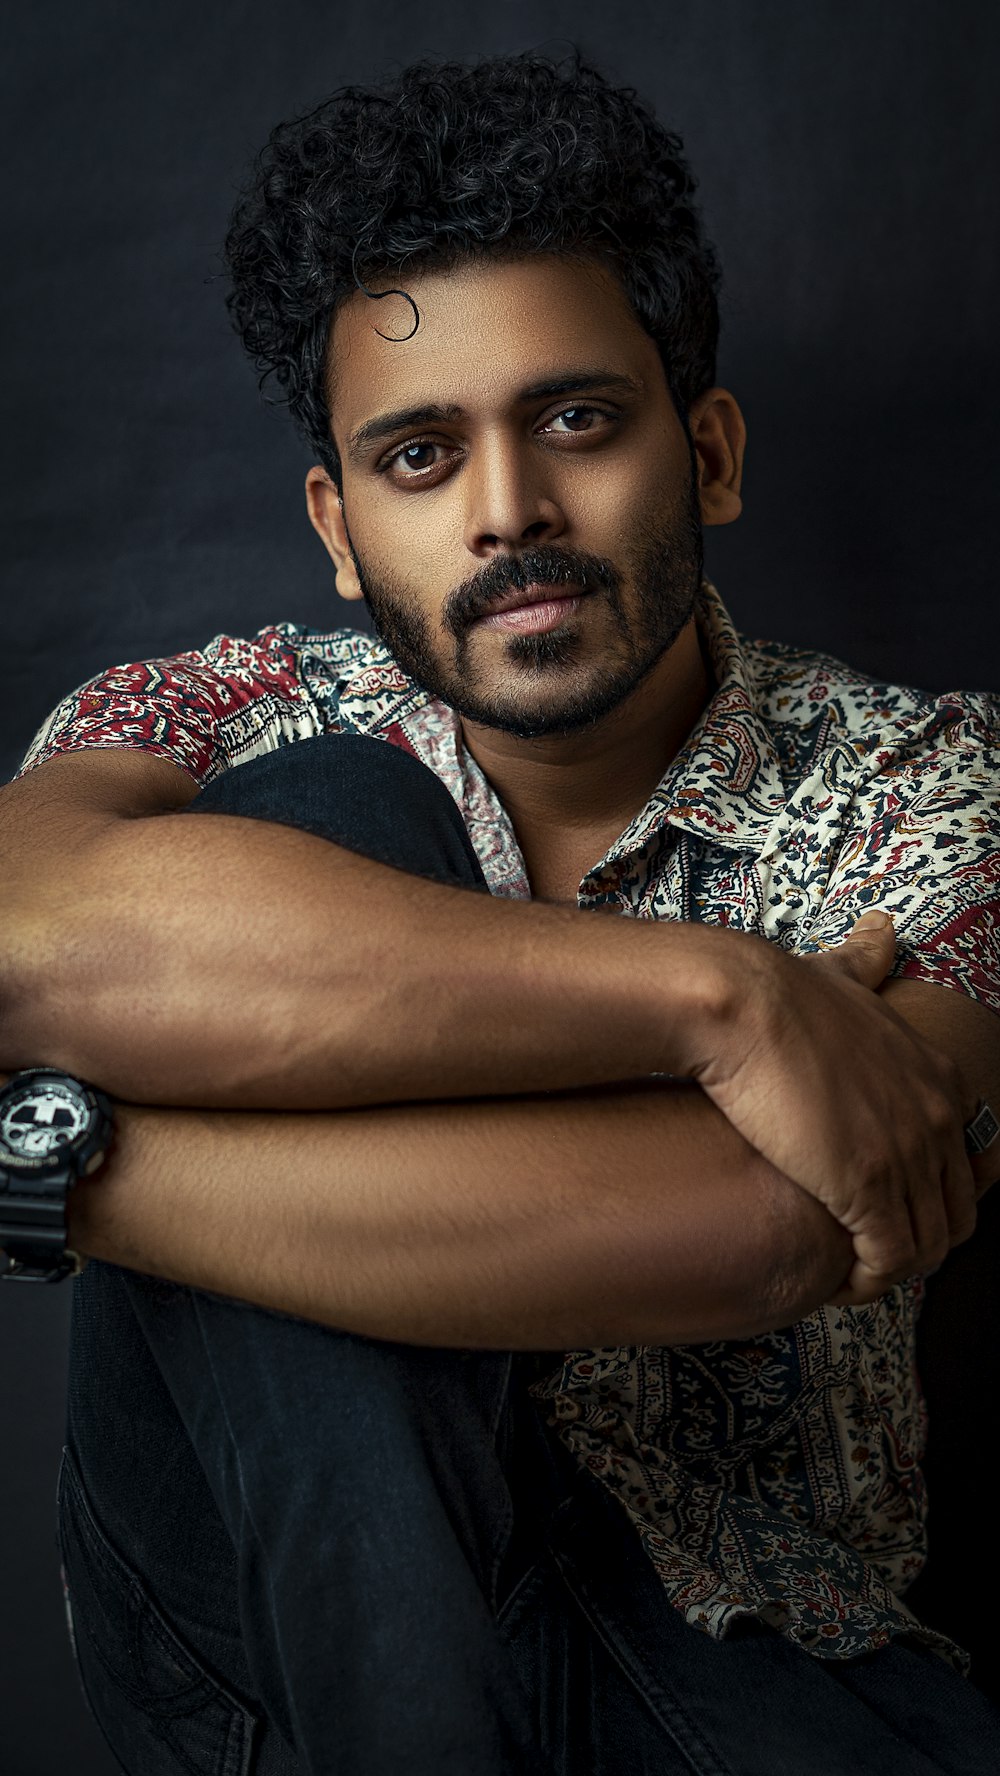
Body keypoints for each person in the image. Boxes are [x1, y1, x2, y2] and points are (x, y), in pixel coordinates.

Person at [1, 48, 998, 1776]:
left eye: (579, 420)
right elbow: (21, 941)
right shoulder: (209, 715)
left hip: (735, 1663)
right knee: (322, 815)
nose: (507, 510)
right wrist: (725, 1002)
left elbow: (775, 1225)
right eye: (415, 454)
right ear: (336, 524)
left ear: (710, 448)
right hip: (255, 1649)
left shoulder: (940, 783)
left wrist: (76, 1168)